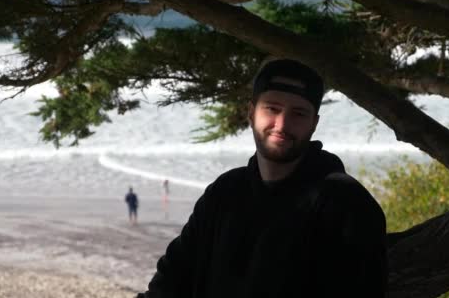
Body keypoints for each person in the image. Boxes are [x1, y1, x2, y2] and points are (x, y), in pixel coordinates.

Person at [137, 58, 387, 297]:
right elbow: (170, 282)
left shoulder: (346, 205)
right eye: (272, 109)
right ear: (251, 113)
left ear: (314, 123)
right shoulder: (224, 192)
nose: (282, 124)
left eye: (298, 114)